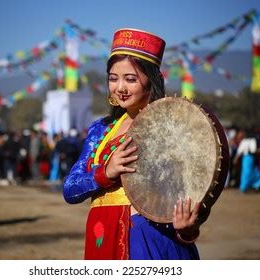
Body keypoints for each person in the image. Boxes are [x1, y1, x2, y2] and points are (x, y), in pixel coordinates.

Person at [63, 29, 206, 260]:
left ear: (153, 80)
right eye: (113, 78)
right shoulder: (100, 130)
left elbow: (187, 194)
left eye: (131, 79)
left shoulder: (169, 129)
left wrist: (188, 229)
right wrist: (104, 173)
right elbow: (70, 190)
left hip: (149, 240)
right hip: (102, 235)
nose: (120, 87)